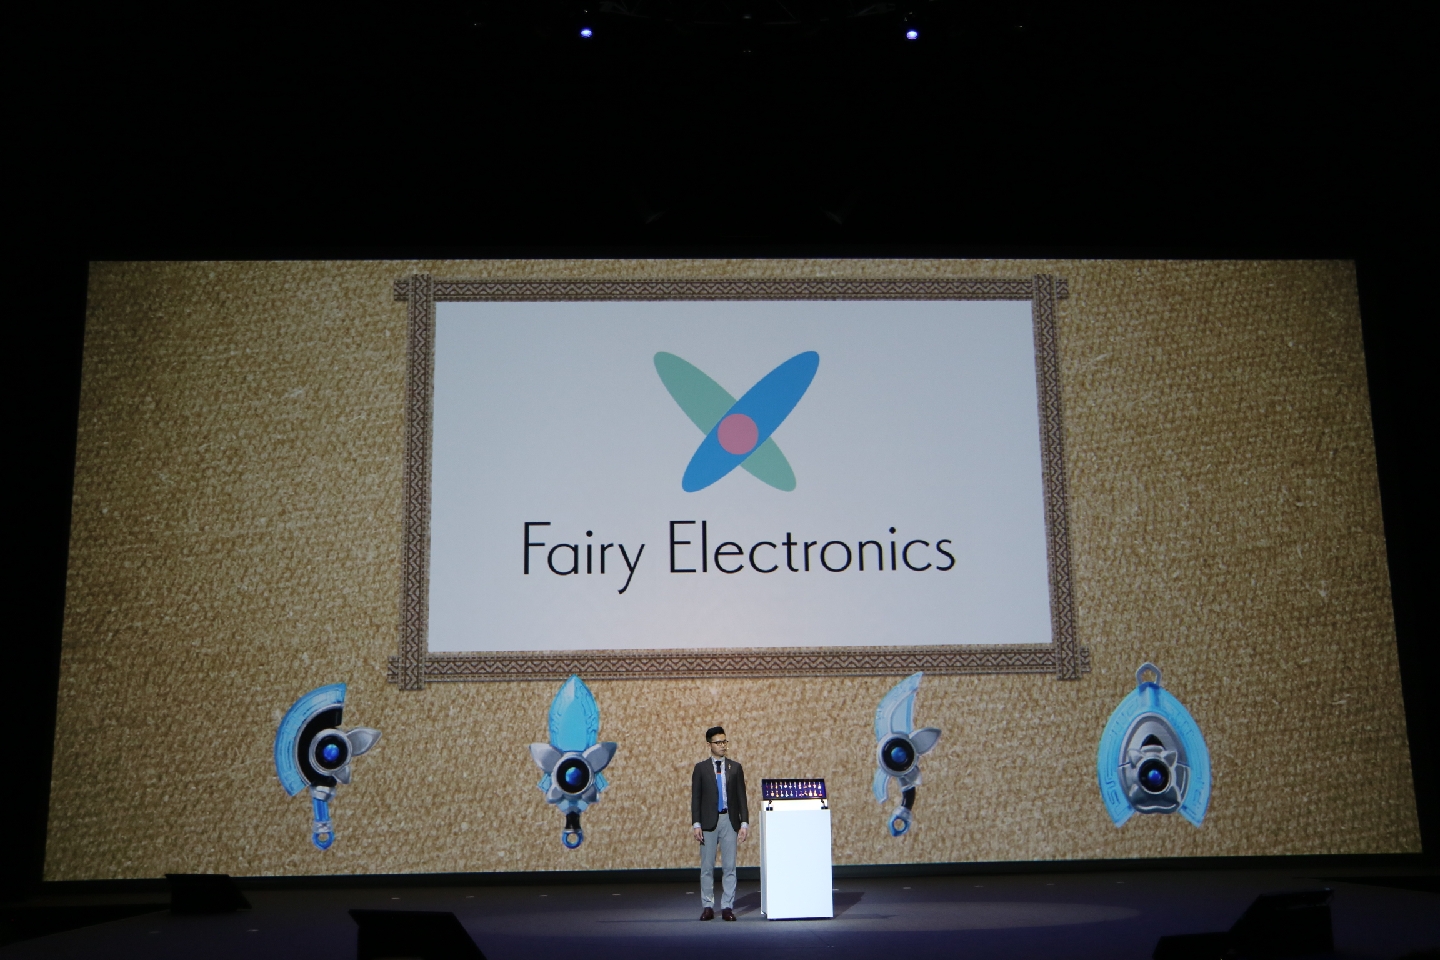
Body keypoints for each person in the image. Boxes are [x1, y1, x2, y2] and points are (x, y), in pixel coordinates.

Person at [691, 725, 749, 921]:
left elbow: (741, 797)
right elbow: (696, 798)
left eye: (724, 741)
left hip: (729, 820)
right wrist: (696, 824)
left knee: (729, 866)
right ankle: (707, 906)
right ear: (709, 745)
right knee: (707, 867)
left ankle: (727, 906)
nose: (723, 745)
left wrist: (744, 823)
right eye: (718, 742)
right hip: (708, 821)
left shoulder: (735, 768)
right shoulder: (701, 768)